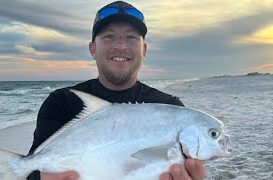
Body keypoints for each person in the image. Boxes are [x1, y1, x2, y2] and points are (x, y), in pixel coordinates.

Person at [27, 1, 206, 180]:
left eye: (131, 37)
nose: (121, 46)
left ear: (144, 50)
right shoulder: (62, 102)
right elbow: (32, 169)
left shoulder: (170, 107)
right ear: (92, 49)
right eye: (109, 37)